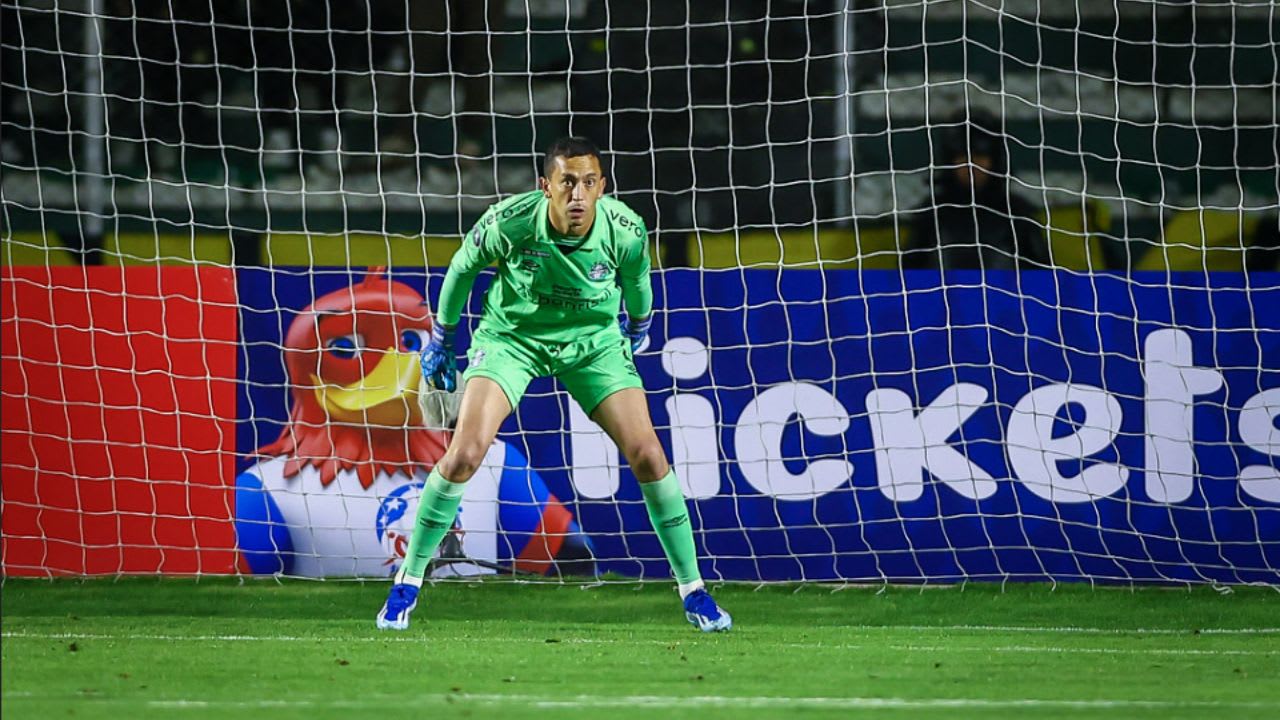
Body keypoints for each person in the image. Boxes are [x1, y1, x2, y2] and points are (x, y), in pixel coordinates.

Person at [376, 137, 732, 633]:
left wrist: (638, 327)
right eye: (567, 182)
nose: (578, 195)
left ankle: (694, 590)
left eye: (589, 183)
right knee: (464, 455)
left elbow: (639, 283)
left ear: (602, 186)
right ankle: (407, 584)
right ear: (546, 187)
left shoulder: (625, 229)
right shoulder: (511, 221)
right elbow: (462, 269)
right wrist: (443, 338)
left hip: (592, 344)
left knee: (649, 455)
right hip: (512, 340)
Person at [905, 114, 1046, 271]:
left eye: (980, 155)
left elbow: (1041, 277)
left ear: (994, 160)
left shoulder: (1017, 214)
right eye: (963, 156)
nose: (971, 165)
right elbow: (909, 274)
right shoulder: (932, 214)